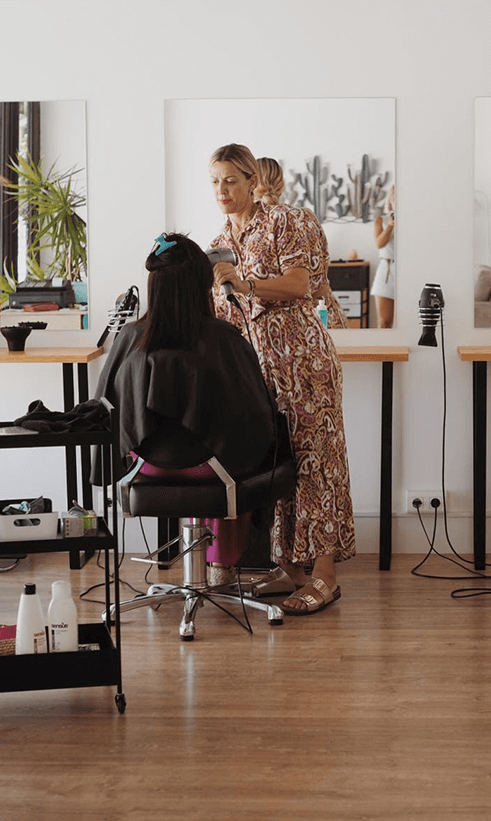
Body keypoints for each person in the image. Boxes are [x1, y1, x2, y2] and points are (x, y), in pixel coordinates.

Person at [207, 143, 355, 615]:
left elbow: (299, 284)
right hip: (256, 373)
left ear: (252, 181)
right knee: (276, 467)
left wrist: (245, 285)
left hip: (303, 364)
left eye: (231, 180)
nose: (222, 190)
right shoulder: (220, 241)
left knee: (316, 465)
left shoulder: (288, 221)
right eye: (215, 181)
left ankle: (325, 577)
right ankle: (291, 569)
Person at [92, 232, 277, 585]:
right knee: (230, 445)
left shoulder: (129, 338)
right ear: (201, 286)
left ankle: (209, 568)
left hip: (145, 469)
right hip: (212, 472)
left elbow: (105, 410)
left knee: (218, 442)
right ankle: (220, 565)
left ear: (154, 285)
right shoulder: (224, 338)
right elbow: (253, 422)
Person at [254, 156, 349, 330]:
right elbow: (323, 265)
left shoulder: (256, 228)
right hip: (329, 314)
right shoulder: (307, 216)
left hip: (294, 325)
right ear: (281, 184)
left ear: (251, 183)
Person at [371, 184, 395, 328]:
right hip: (387, 270)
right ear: (390, 200)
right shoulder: (381, 220)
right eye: (394, 199)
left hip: (409, 271)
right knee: (384, 322)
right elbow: (379, 244)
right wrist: (390, 226)